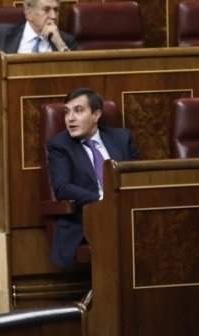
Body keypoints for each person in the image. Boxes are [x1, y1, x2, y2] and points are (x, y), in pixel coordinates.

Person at [0, 0, 77, 161]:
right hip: (3, 115)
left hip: (48, 116)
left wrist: (59, 44)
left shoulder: (65, 42)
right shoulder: (1, 34)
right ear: (28, 11)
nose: (53, 16)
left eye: (56, 10)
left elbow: (76, 74)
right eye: (47, 10)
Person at [47, 87, 139, 267]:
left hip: (127, 213)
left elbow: (138, 177)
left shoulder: (121, 138)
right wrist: (103, 199)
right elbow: (62, 188)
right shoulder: (60, 145)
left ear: (96, 115)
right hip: (87, 219)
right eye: (66, 112)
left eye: (78, 111)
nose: (70, 118)